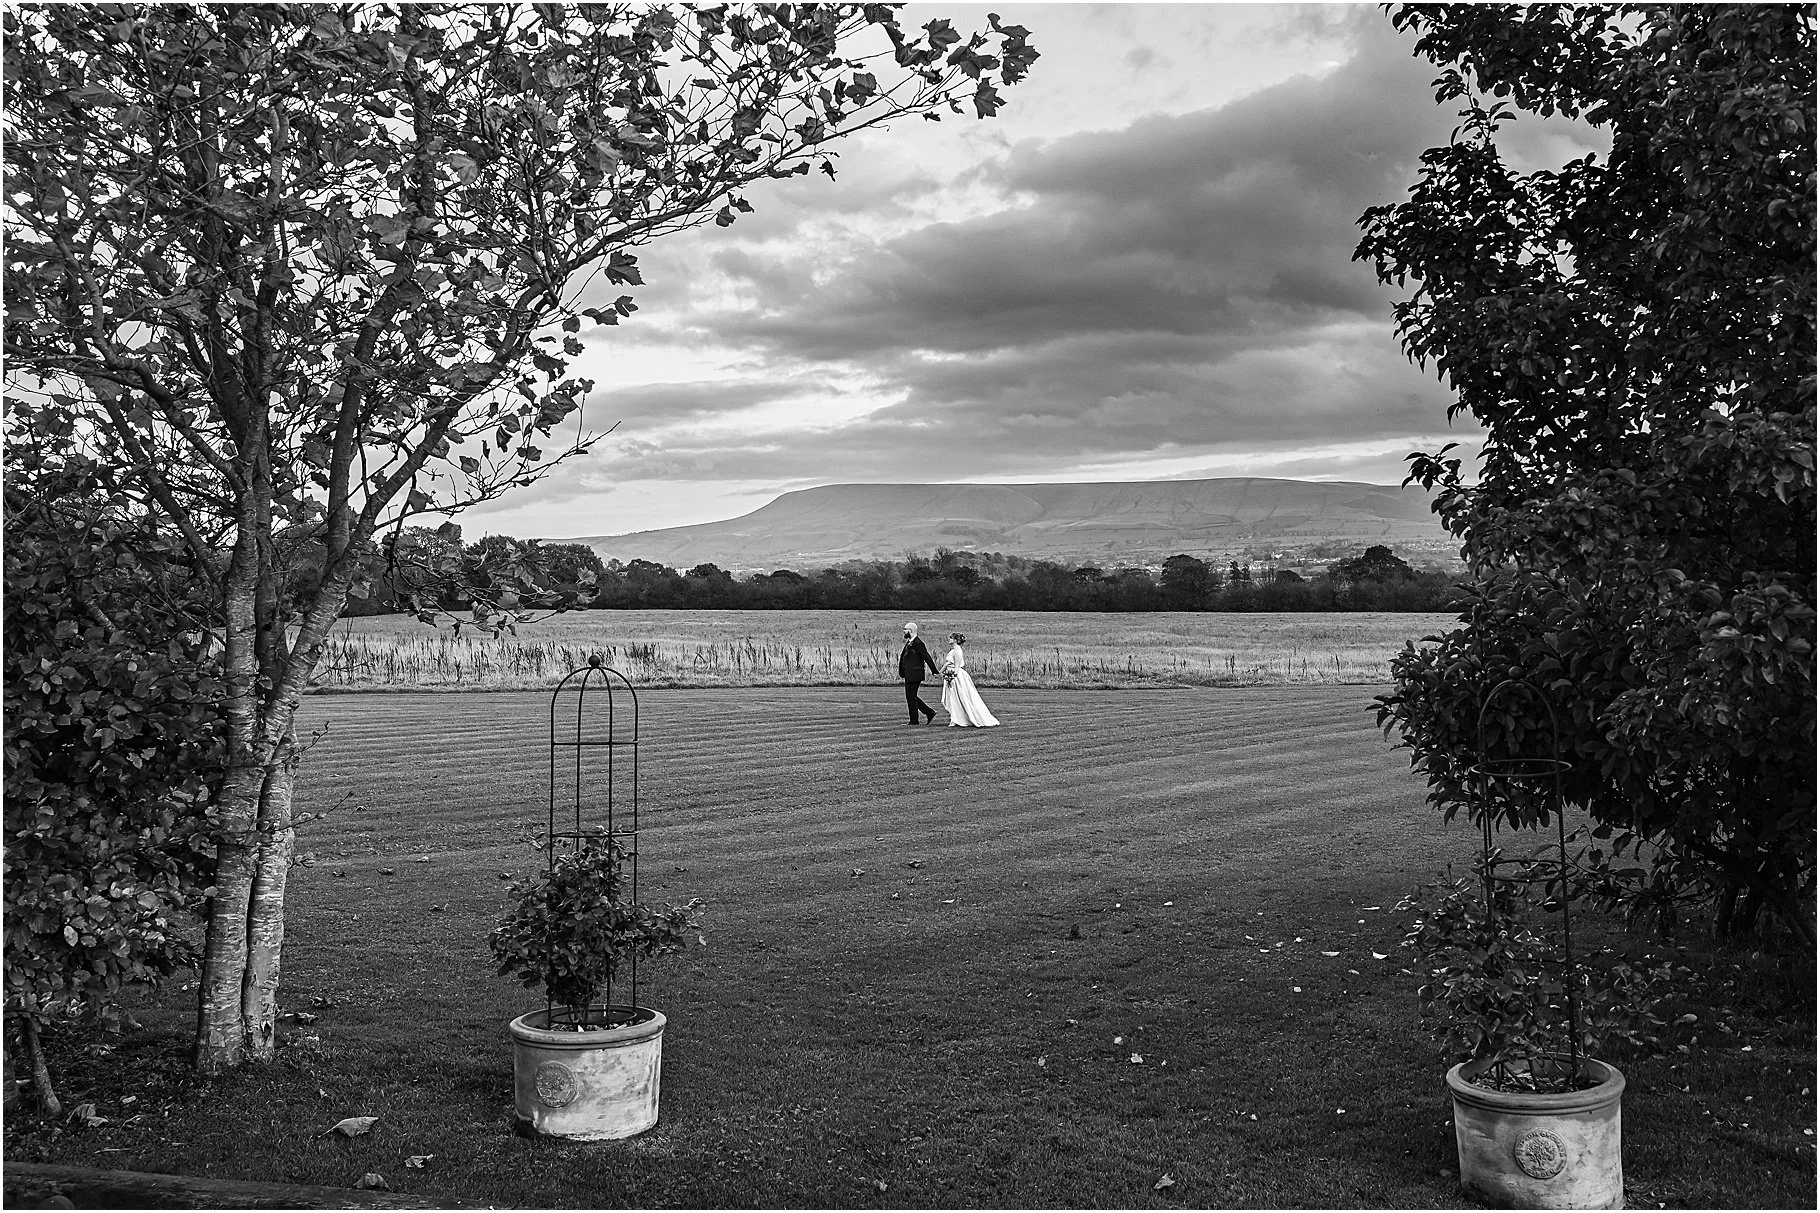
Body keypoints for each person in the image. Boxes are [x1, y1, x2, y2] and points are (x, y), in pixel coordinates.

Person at [940, 632, 1000, 728]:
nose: (949, 640)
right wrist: (941, 672)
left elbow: (957, 665)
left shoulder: (958, 651)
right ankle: (955, 717)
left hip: (955, 676)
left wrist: (953, 676)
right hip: (949, 674)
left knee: (959, 697)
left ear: (955, 640)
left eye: (951, 638)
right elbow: (948, 663)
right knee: (952, 697)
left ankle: (957, 718)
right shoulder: (953, 650)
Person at [897, 622, 941, 725]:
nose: (903, 631)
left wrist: (934, 671)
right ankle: (928, 712)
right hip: (909, 674)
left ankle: (915, 719)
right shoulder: (910, 642)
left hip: (915, 674)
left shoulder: (918, 643)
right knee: (911, 696)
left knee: (911, 696)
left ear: (910, 630)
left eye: (905, 629)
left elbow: (926, 657)